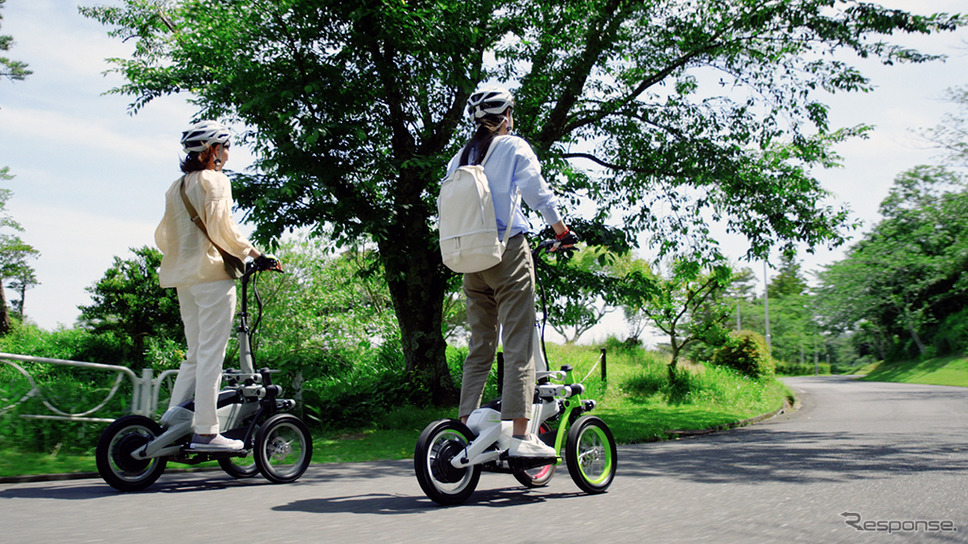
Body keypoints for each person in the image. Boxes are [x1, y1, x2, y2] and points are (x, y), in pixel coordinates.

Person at [447, 86, 577, 460]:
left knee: (480, 345)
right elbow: (537, 192)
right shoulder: (513, 145)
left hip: (470, 260)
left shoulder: (458, 158)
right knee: (518, 340)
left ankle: (465, 425)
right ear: (505, 116)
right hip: (506, 252)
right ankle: (521, 433)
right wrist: (561, 232)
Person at [155, 120, 264, 451]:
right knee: (211, 357)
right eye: (225, 148)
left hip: (184, 280)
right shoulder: (214, 181)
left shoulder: (175, 187)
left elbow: (165, 237)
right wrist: (257, 254)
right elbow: (224, 230)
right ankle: (206, 431)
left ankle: (172, 423)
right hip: (213, 279)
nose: (228, 155)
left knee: (194, 355)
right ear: (211, 152)